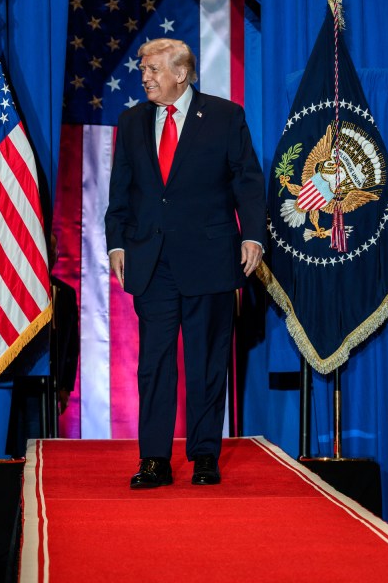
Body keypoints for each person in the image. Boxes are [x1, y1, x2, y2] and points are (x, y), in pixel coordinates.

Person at [105, 38, 266, 488]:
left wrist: (252, 234)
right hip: (151, 262)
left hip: (211, 259)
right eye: (142, 68)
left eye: (153, 68)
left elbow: (248, 182)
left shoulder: (225, 116)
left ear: (181, 73)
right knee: (154, 364)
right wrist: (116, 244)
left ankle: (204, 456)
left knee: (208, 360)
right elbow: (122, 193)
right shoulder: (132, 121)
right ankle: (154, 460)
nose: (145, 76)